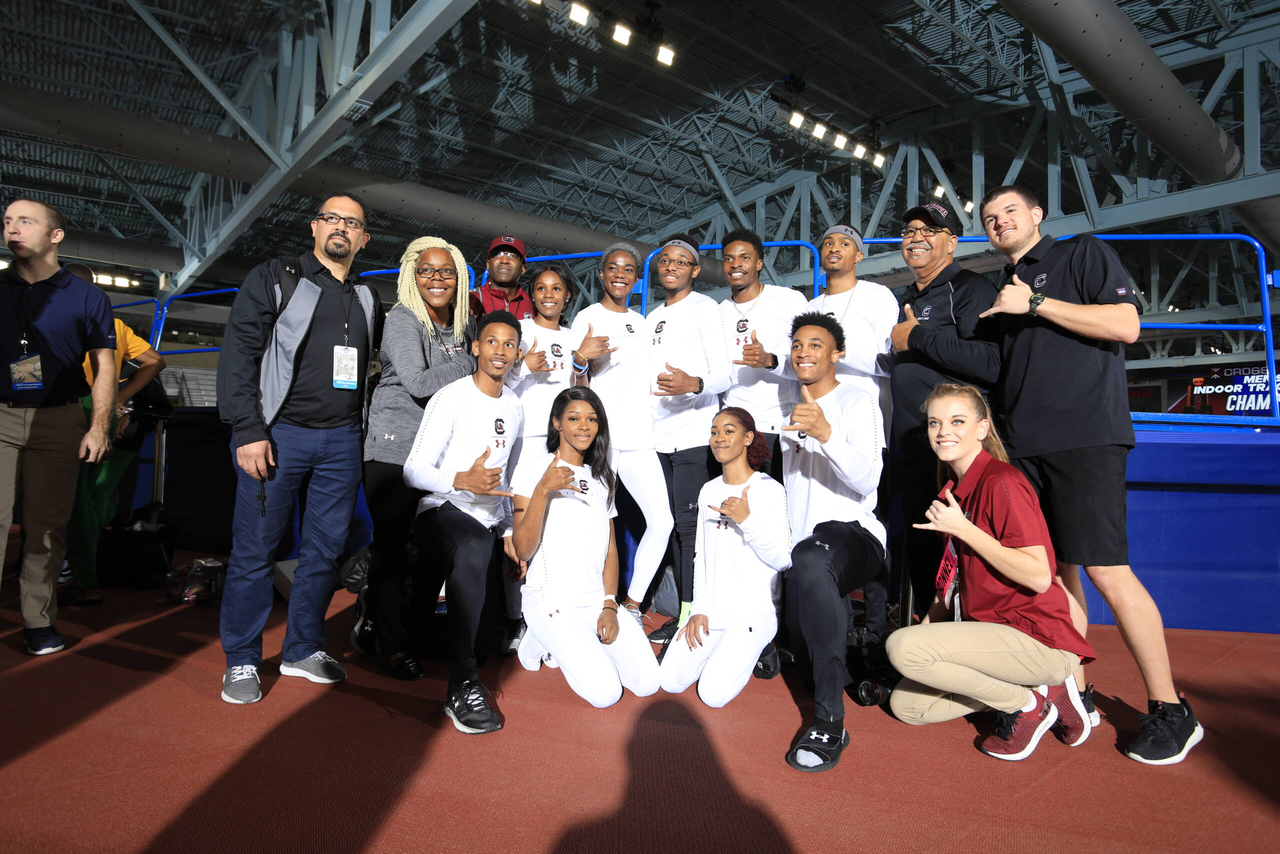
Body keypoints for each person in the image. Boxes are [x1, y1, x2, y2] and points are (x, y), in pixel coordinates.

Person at [978, 185, 1203, 765]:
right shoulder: (1004, 289)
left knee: (1107, 570)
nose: (999, 221)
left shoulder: (1080, 254)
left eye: (1009, 211)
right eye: (989, 217)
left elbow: (1126, 325)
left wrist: (1035, 304)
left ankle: (1171, 710)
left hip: (1084, 437)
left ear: (1035, 215)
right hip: (1024, 445)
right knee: (1053, 577)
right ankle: (1075, 692)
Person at [215, 193, 382, 705]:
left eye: (351, 223)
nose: (340, 229)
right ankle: (242, 657)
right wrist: (247, 428)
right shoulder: (276, 276)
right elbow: (240, 352)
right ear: (314, 228)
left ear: (363, 238)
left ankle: (301, 648)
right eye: (332, 219)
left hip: (341, 442)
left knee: (324, 552)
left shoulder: (368, 297)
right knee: (255, 550)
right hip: (277, 434)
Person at [886, 384, 1097, 760]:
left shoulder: (1002, 483)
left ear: (982, 429)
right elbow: (948, 587)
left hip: (1037, 638)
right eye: (935, 422)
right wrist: (925, 640)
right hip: (995, 637)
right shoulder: (953, 490)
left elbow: (1038, 576)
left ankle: (1028, 704)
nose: (943, 431)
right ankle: (1034, 692)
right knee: (909, 705)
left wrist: (965, 529)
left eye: (957, 421)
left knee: (902, 647)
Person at [356, 236, 475, 681]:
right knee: (390, 552)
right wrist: (474, 359)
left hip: (437, 452)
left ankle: (413, 628)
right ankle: (388, 643)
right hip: (393, 447)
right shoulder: (404, 319)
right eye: (427, 270)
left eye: (446, 271)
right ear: (412, 275)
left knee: (433, 550)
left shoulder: (461, 326)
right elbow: (420, 383)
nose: (437, 278)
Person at [0, 199, 115, 656]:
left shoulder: (87, 296)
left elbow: (105, 366)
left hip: (60, 417)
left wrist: (99, 426)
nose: (12, 228)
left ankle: (37, 620)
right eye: (7, 221)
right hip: (0, 415)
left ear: (55, 235)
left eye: (25, 221)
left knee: (46, 529)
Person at [403, 310, 524, 734]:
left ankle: (402, 622)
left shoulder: (515, 406)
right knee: (472, 549)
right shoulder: (451, 397)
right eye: (492, 341)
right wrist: (461, 480)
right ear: (476, 347)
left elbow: (506, 480)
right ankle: (462, 687)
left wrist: (508, 531)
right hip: (443, 508)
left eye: (509, 344)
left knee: (476, 642)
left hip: (487, 523)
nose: (500, 351)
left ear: (517, 353)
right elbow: (413, 471)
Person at [780, 311, 887, 773]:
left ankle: (830, 722)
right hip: (806, 551)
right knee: (808, 664)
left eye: (816, 344)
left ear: (837, 354)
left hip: (855, 534)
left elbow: (867, 480)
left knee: (812, 554)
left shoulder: (860, 399)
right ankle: (854, 669)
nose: (804, 352)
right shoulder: (789, 404)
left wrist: (825, 433)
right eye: (798, 344)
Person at [510, 387, 659, 707]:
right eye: (574, 418)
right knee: (607, 694)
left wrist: (609, 605)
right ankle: (539, 637)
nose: (584, 425)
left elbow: (610, 550)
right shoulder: (532, 468)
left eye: (592, 419)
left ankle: (557, 639)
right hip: (552, 601)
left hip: (594, 601)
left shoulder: (602, 477)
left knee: (648, 683)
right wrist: (543, 491)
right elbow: (522, 550)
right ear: (556, 424)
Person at [887, 202, 1000, 616]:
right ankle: (926, 638)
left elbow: (989, 364)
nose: (915, 236)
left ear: (951, 243)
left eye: (929, 230)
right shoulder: (907, 298)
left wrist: (917, 337)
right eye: (909, 230)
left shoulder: (970, 288)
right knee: (920, 545)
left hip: (952, 452)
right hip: (911, 449)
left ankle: (966, 644)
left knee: (960, 550)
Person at [570, 243, 673, 631]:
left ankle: (631, 604)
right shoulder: (587, 317)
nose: (620, 274)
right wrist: (582, 359)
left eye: (628, 269)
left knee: (661, 522)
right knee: (593, 524)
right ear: (601, 273)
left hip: (640, 439)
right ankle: (590, 604)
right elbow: (574, 383)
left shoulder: (643, 323)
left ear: (636, 277)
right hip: (600, 441)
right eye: (613, 267)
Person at [659, 407, 790, 707]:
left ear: (748, 438)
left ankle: (759, 647)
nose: (718, 438)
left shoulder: (769, 490)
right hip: (714, 611)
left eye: (728, 431)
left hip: (752, 616)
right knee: (669, 680)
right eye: (714, 431)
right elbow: (700, 556)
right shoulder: (708, 491)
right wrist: (699, 610)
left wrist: (747, 521)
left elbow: (784, 559)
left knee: (712, 695)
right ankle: (723, 650)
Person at [644, 234, 731, 642]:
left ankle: (690, 613)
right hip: (655, 438)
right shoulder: (651, 317)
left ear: (694, 270)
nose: (671, 267)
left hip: (694, 436)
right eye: (665, 261)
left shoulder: (706, 308)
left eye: (681, 261)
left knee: (688, 527)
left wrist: (692, 383)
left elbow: (725, 375)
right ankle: (678, 606)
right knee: (663, 526)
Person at [64, 262, 167, 605]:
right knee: (90, 500)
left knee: (77, 501)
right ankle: (84, 574)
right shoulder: (115, 325)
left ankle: (82, 575)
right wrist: (118, 398)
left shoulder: (58, 320)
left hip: (71, 412)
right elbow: (155, 361)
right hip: (102, 413)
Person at [501, 263, 585, 653]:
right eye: (541, 288)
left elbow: (580, 391)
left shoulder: (573, 338)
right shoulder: (519, 332)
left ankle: (548, 613)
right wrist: (522, 367)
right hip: (520, 441)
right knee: (515, 528)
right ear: (531, 295)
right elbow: (496, 380)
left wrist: (583, 365)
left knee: (552, 526)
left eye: (557, 288)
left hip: (558, 445)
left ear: (567, 296)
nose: (549, 294)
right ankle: (513, 617)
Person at [718, 227, 808, 482]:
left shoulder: (789, 300)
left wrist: (770, 361)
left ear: (759, 263)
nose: (736, 264)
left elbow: (811, 363)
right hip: (735, 427)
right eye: (729, 258)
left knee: (780, 508)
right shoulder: (717, 312)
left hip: (778, 426)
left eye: (744, 257)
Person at [808, 224, 899, 427]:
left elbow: (889, 363)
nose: (834, 248)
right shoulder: (810, 307)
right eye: (828, 244)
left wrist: (843, 352)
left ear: (858, 256)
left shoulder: (877, 295)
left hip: (865, 415)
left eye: (844, 243)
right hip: (818, 412)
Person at [469, 234, 533, 320]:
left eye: (513, 255)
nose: (504, 260)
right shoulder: (470, 298)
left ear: (523, 268)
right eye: (498, 254)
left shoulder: (534, 304)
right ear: (488, 265)